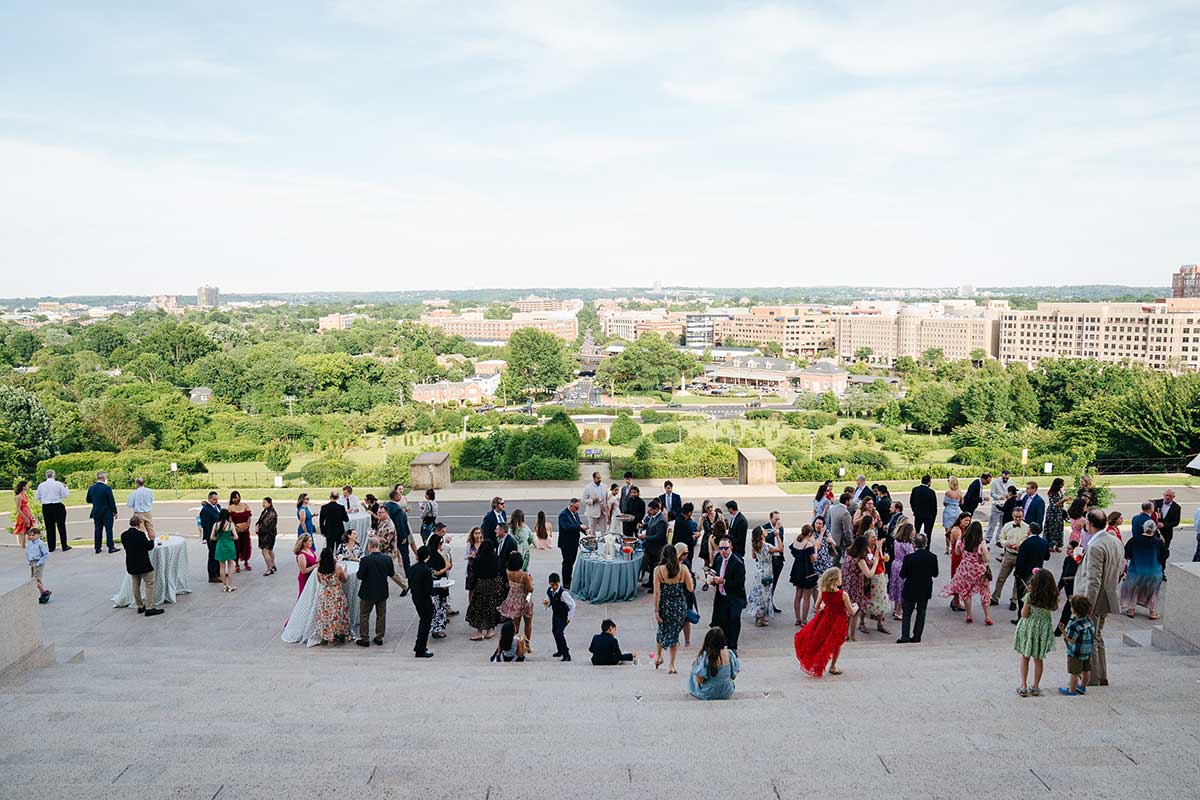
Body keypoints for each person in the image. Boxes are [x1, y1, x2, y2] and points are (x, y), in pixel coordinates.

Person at [1078, 509, 1122, 687]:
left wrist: (1086, 606)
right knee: (1097, 636)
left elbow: (1093, 580)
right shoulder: (1114, 541)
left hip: (1095, 600)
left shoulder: (1096, 546)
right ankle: (1101, 675)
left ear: (1090, 524)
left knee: (1091, 638)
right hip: (1108, 595)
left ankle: (1093, 676)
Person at [792, 567, 855, 677]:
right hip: (838, 622)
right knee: (836, 644)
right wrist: (856, 607)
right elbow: (851, 612)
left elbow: (816, 606)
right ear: (834, 580)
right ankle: (833, 666)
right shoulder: (843, 594)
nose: (842, 579)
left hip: (825, 620)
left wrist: (826, 606)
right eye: (840, 577)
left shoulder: (823, 592)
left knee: (822, 641)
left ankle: (818, 662)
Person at [1012, 568, 1058, 697]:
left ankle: (1023, 685)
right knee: (1038, 659)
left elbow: (1024, 614)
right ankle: (1036, 686)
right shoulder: (1052, 597)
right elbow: (1054, 608)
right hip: (1042, 630)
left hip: (1029, 628)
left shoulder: (1030, 596)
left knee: (1025, 657)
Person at [356, 536, 407, 646]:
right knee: (381, 615)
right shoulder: (387, 559)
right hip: (382, 591)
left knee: (364, 615)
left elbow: (360, 576)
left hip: (367, 591)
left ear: (369, 547)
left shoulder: (365, 560)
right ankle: (379, 636)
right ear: (378, 546)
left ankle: (364, 638)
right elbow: (391, 573)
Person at [942, 522, 993, 625]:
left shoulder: (961, 541)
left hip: (965, 569)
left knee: (966, 592)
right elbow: (986, 558)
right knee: (984, 592)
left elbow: (957, 552)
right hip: (979, 570)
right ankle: (987, 616)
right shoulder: (981, 543)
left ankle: (969, 615)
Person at [653, 544, 694, 673]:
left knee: (662, 629)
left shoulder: (658, 570)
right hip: (679, 606)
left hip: (664, 605)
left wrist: (656, 610)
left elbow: (656, 592)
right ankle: (671, 664)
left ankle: (658, 656)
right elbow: (690, 588)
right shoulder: (683, 569)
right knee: (674, 634)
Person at [897, 533, 939, 643]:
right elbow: (935, 574)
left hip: (910, 588)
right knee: (921, 613)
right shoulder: (932, 557)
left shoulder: (909, 558)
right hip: (925, 589)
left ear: (914, 544)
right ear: (926, 544)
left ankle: (905, 636)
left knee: (906, 614)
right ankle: (917, 637)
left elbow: (902, 574)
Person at [1120, 519, 1166, 620]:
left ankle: (1131, 609)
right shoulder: (1158, 542)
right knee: (1153, 591)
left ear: (1144, 528)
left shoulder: (1134, 540)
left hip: (1136, 570)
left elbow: (1127, 554)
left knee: (1135, 589)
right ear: (1154, 529)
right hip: (1154, 571)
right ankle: (1152, 612)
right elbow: (1164, 556)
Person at [708, 537, 746, 652]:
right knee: (720, 621)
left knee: (733, 621)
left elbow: (739, 583)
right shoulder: (719, 558)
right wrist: (711, 579)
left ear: (731, 548)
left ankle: (732, 647)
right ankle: (721, 646)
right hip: (721, 596)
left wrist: (723, 581)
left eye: (726, 548)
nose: (723, 551)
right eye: (721, 548)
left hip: (734, 597)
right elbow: (714, 571)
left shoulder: (737, 562)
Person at [121, 513, 163, 616]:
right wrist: (152, 540)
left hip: (131, 564)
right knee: (150, 584)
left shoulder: (124, 535)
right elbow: (148, 547)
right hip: (143, 564)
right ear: (139, 524)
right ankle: (149, 607)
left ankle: (140, 605)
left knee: (135, 585)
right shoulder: (140, 535)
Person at [991, 506, 1029, 610]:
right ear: (1013, 515)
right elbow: (1001, 537)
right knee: (1001, 577)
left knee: (1018, 579)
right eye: (1016, 517)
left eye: (1020, 517)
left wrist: (1020, 545)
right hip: (1009, 554)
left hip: (1020, 556)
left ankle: (1014, 600)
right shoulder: (1007, 525)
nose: (1018, 519)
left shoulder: (1027, 527)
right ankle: (995, 597)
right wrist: (1006, 544)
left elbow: (1027, 540)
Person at [466, 538, 505, 640]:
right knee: (491, 608)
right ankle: (490, 631)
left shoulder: (478, 560)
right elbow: (499, 570)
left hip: (481, 585)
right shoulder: (495, 558)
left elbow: (474, 572)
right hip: (493, 585)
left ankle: (479, 632)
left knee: (479, 608)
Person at [1012, 521, 1050, 622]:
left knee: (1022, 594)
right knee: (1035, 593)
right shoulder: (1044, 542)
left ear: (1030, 531)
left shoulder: (1026, 543)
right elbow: (1047, 557)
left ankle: (1021, 616)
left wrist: (1017, 572)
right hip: (1038, 571)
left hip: (1025, 572)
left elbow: (1020, 559)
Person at [688, 626, 740, 699]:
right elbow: (733, 676)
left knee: (695, 671)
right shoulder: (729, 653)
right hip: (726, 692)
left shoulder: (706, 656)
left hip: (708, 693)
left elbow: (699, 680)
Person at [1058, 595, 1095, 696]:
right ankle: (1082, 687)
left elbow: (1071, 640)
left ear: (1074, 610)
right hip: (1087, 651)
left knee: (1074, 672)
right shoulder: (1089, 621)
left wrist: (1064, 633)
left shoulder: (1074, 625)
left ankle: (1071, 690)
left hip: (1076, 653)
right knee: (1086, 670)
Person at [313, 547, 349, 645]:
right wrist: (345, 570)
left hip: (324, 594)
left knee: (325, 615)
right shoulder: (337, 567)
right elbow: (344, 579)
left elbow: (320, 581)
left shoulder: (319, 568)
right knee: (337, 615)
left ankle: (325, 635)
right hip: (336, 594)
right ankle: (336, 635)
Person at [498, 550, 534, 648]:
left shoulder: (508, 572)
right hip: (524, 600)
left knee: (515, 624)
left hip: (513, 600)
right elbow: (530, 589)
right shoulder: (524, 575)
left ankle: (514, 643)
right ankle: (527, 644)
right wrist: (531, 580)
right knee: (528, 623)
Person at [789, 525, 819, 626]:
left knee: (798, 595)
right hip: (807, 572)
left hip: (797, 570)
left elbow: (793, 553)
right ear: (810, 534)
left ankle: (797, 619)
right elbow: (814, 559)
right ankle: (804, 620)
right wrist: (815, 546)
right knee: (807, 597)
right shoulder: (808, 545)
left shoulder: (796, 542)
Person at [408, 545, 435, 658]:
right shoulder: (426, 570)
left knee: (423, 621)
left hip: (416, 597)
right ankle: (420, 649)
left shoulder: (412, 568)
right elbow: (429, 589)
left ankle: (419, 645)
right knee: (425, 624)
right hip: (425, 599)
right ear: (427, 557)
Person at [841, 534, 869, 641]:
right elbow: (869, 574)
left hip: (847, 584)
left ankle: (845, 634)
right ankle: (852, 636)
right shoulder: (859, 560)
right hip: (856, 586)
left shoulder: (848, 552)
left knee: (846, 610)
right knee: (854, 612)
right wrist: (875, 562)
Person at [35, 469, 71, 551]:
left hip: (46, 507)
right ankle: (64, 545)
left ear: (46, 476)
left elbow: (37, 497)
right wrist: (66, 488)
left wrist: (44, 497)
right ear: (54, 475)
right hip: (58, 505)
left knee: (49, 527)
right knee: (61, 526)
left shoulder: (41, 485)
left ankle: (51, 547)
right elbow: (65, 495)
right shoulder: (58, 484)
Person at [544, 572, 576, 661]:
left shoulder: (563, 594)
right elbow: (548, 599)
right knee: (554, 631)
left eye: (555, 585)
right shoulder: (549, 591)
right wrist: (547, 603)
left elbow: (572, 605)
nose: (554, 587)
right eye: (552, 585)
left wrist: (569, 617)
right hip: (555, 614)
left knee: (559, 633)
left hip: (563, 615)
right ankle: (560, 650)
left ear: (558, 583)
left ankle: (566, 654)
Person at [746, 526, 775, 627]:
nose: (766, 531)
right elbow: (780, 549)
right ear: (761, 534)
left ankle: (758, 616)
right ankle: (761, 618)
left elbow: (754, 557)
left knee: (757, 594)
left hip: (758, 572)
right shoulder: (767, 546)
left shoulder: (755, 545)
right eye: (764, 530)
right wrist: (778, 536)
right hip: (766, 572)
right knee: (765, 595)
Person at [426, 532, 453, 638]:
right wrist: (446, 567)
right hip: (438, 586)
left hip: (435, 586)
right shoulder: (435, 556)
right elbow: (436, 572)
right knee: (439, 608)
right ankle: (437, 629)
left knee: (437, 608)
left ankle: (436, 628)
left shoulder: (430, 555)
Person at [86, 471, 119, 554]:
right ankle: (110, 546)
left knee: (98, 529)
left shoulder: (91, 488)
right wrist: (115, 511)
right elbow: (111, 501)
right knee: (109, 529)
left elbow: (88, 500)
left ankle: (97, 547)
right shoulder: (107, 488)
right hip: (106, 512)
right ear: (104, 478)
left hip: (96, 511)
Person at [555, 498, 584, 590]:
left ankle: (569, 579)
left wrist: (585, 530)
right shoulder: (563, 515)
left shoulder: (575, 513)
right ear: (571, 506)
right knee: (567, 563)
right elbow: (567, 527)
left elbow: (578, 523)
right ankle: (566, 582)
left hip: (574, 543)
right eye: (576, 508)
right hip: (566, 543)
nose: (577, 510)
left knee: (571, 562)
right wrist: (579, 526)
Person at [888, 522, 915, 620]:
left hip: (895, 564)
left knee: (896, 586)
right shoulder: (906, 543)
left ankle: (896, 608)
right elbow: (911, 555)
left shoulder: (897, 541)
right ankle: (899, 611)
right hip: (903, 565)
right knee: (901, 589)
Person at [384, 487, 414, 575]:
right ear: (396, 497)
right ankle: (408, 572)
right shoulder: (397, 509)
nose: (400, 496)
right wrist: (404, 536)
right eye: (399, 495)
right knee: (405, 554)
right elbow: (400, 524)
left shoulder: (387, 506)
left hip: (390, 534)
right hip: (399, 535)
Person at [1153, 489, 1180, 578]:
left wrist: (1164, 525)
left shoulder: (1176, 507)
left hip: (1166, 534)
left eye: (1170, 496)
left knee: (1163, 553)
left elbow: (1176, 522)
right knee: (1153, 552)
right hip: (1154, 532)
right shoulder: (1156, 503)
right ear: (1163, 495)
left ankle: (1161, 572)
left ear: (1173, 497)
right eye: (1166, 495)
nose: (1167, 497)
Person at [198, 491, 222, 583]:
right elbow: (206, 526)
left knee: (218, 554)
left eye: (217, 499)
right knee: (212, 555)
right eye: (214, 499)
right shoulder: (206, 510)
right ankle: (212, 575)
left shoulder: (218, 507)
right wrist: (209, 537)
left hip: (219, 535)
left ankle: (218, 572)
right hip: (212, 537)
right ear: (209, 499)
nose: (216, 500)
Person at [227, 491, 253, 574]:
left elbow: (249, 517)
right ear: (232, 499)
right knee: (236, 547)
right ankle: (237, 564)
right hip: (236, 531)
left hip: (245, 530)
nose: (236, 500)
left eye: (238, 498)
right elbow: (230, 520)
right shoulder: (230, 508)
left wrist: (247, 526)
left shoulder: (245, 505)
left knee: (246, 546)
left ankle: (246, 562)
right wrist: (235, 528)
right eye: (235, 498)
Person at [212, 509, 237, 592]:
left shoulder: (216, 525)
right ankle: (230, 586)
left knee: (221, 567)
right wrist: (230, 538)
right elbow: (236, 537)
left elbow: (212, 537)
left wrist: (219, 539)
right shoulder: (230, 525)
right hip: (229, 545)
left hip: (220, 546)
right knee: (230, 566)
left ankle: (224, 586)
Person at [986, 469, 1013, 544]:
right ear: (1001, 476)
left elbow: (1014, 492)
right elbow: (992, 493)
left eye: (1007, 478)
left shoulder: (1011, 483)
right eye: (1004, 478)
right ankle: (988, 538)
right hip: (997, 505)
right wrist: (999, 497)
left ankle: (998, 539)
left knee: (1002, 525)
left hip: (1006, 507)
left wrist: (1009, 496)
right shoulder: (995, 482)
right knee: (992, 523)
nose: (1005, 479)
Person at [25, 527, 51, 603]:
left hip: (38, 562)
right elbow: (28, 552)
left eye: (33, 535)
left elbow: (46, 554)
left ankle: (45, 592)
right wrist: (29, 561)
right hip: (32, 562)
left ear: (38, 535)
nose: (31, 537)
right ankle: (42, 594)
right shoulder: (29, 543)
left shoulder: (40, 543)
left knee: (35, 580)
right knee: (37, 579)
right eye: (30, 535)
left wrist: (39, 563)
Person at [908, 475, 937, 541]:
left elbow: (911, 502)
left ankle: (915, 546)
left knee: (916, 532)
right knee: (928, 534)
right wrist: (933, 516)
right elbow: (934, 506)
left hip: (918, 514)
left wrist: (914, 510)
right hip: (928, 516)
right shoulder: (931, 492)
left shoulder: (915, 490)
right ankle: (927, 548)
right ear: (929, 482)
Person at [256, 497, 278, 576]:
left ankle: (270, 568)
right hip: (264, 534)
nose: (263, 504)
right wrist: (257, 525)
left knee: (265, 551)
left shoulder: (272, 513)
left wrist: (258, 529)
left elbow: (265, 525)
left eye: (264, 503)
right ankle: (272, 564)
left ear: (269, 503)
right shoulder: (265, 511)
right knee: (269, 550)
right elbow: (259, 521)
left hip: (268, 535)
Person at [1044, 478, 1066, 552]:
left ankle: (1058, 545)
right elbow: (1053, 504)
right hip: (1052, 513)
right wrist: (1062, 500)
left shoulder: (1060, 491)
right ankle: (1050, 545)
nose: (1063, 485)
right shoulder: (1051, 493)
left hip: (1059, 513)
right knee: (1052, 528)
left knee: (1059, 528)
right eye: (1062, 484)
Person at [13, 480, 36, 549]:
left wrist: (31, 515)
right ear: (23, 487)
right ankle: (23, 546)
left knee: (29, 530)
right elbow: (18, 509)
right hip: (23, 515)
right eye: (27, 485)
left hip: (27, 514)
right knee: (24, 531)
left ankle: (30, 545)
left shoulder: (24, 494)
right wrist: (25, 518)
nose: (28, 486)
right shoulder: (19, 496)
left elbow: (27, 506)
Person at [294, 533, 318, 598]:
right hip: (305, 578)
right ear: (304, 543)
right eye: (309, 541)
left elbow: (313, 561)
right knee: (304, 596)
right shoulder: (301, 555)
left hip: (311, 576)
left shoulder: (309, 549)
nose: (311, 542)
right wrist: (314, 566)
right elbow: (303, 571)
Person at [464, 526, 482, 599]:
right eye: (476, 533)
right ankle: (470, 605)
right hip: (471, 570)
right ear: (473, 534)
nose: (477, 535)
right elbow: (465, 556)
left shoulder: (483, 544)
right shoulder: (470, 545)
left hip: (480, 569)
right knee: (471, 589)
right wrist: (470, 555)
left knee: (480, 589)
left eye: (479, 533)